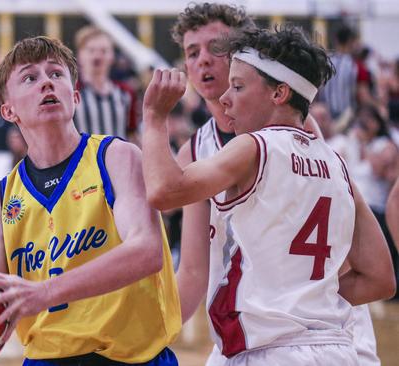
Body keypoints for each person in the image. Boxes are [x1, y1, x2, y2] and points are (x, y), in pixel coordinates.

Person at [142, 26, 395, 364]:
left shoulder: (253, 146)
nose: (226, 98)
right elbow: (381, 279)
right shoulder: (337, 163)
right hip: (336, 348)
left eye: (238, 86)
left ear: (279, 93)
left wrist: (154, 117)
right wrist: (308, 298)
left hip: (270, 352)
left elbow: (163, 191)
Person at [0, 36, 181, 365]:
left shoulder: (116, 157)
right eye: (30, 77)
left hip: (133, 357)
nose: (46, 82)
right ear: (8, 110)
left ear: (74, 96)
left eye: (56, 74)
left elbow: (146, 250)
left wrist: (45, 292)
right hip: (47, 358)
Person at [73, 26, 138, 140]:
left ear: (112, 56)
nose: (97, 56)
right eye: (91, 50)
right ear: (80, 55)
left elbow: (132, 134)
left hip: (118, 156)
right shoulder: (70, 92)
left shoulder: (126, 93)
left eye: (103, 51)